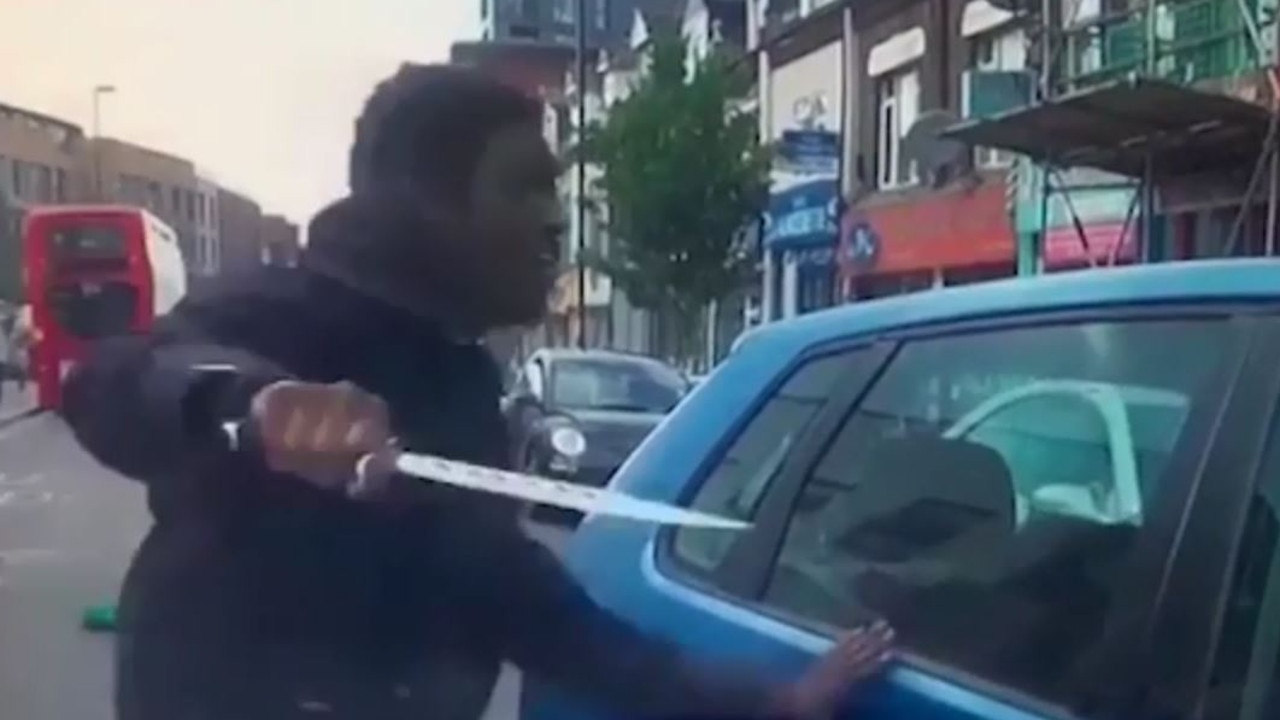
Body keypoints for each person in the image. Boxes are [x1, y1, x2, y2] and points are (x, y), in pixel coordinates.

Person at [61, 64, 893, 720]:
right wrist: (247, 405)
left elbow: (509, 592)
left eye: (553, 188)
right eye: (522, 188)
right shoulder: (282, 311)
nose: (553, 218)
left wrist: (764, 699)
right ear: (421, 204)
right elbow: (116, 377)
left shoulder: (456, 373)